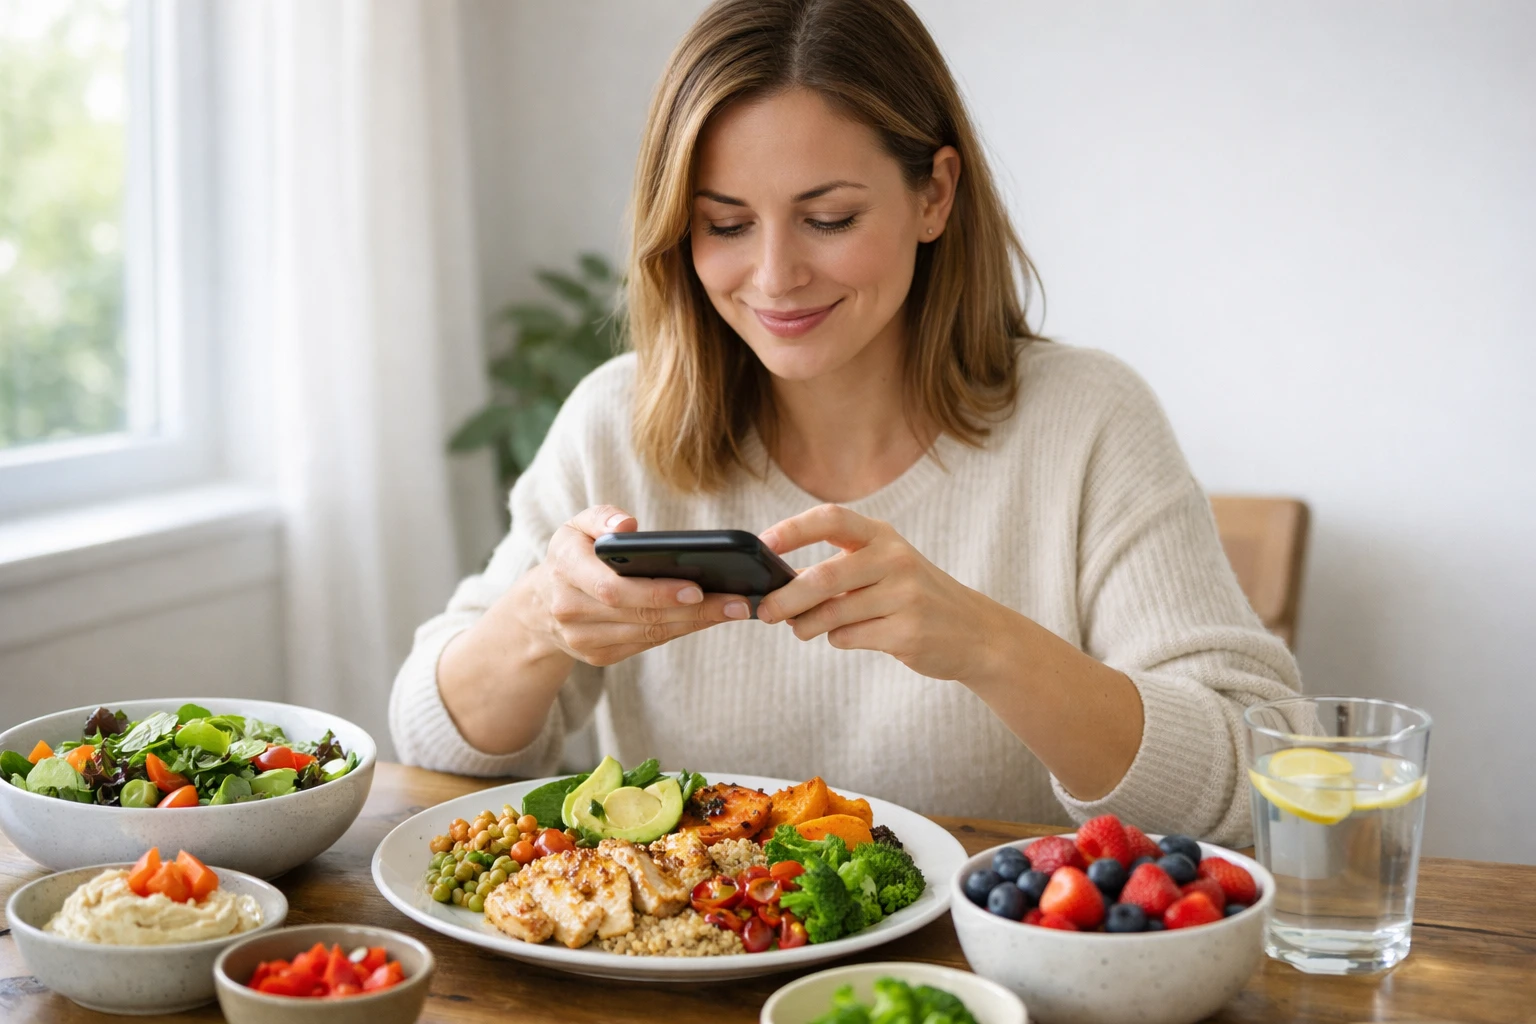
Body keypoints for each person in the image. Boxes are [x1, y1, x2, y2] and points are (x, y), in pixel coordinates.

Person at [390, 0, 1299, 844]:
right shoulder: (616, 422)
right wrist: (539, 625)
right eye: (727, 225)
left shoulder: (1089, 421)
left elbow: (1257, 782)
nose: (776, 275)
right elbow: (436, 745)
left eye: (828, 218)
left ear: (935, 195)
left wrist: (988, 647)